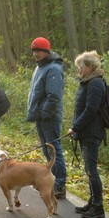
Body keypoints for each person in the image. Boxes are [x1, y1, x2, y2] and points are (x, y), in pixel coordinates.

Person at [26, 37, 67, 199]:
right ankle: (52, 181)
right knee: (46, 149)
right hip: (41, 116)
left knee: (54, 149)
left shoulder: (54, 69)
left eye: (39, 51)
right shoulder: (40, 67)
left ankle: (60, 185)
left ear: (46, 51)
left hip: (49, 117)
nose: (36, 54)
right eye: (34, 51)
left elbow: (54, 96)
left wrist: (44, 112)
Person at [68, 50, 106, 218]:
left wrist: (75, 127)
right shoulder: (87, 82)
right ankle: (92, 202)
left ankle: (98, 207)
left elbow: (90, 110)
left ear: (90, 67)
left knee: (91, 170)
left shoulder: (96, 84)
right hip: (86, 132)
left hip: (92, 133)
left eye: (81, 67)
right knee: (89, 169)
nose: (79, 71)